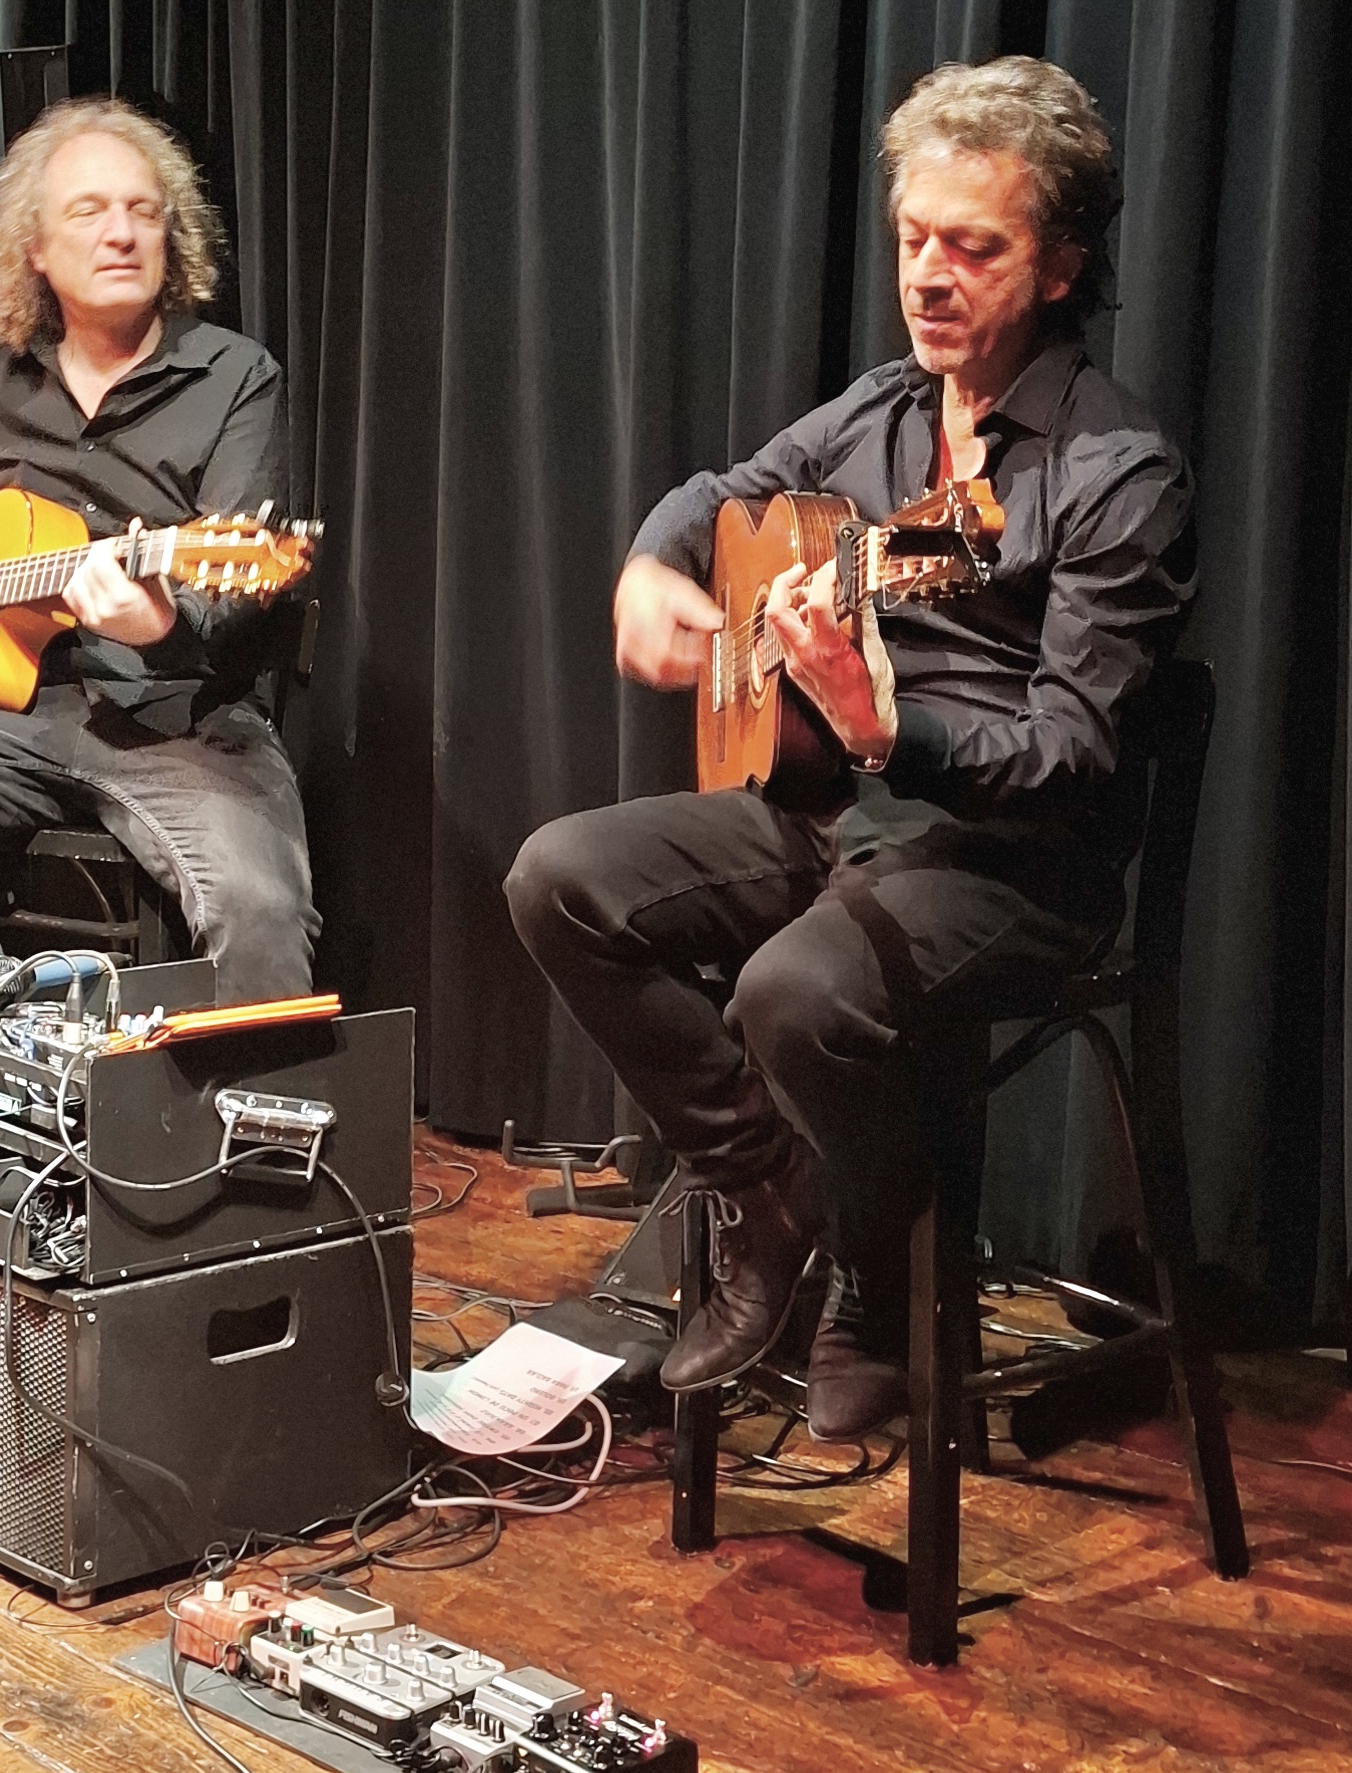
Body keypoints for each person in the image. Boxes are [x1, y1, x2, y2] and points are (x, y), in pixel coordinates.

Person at [505, 56, 1195, 1440]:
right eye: (913, 239)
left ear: (1061, 265)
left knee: (794, 992)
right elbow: (718, 498)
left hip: (1013, 862)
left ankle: (876, 1277)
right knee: (558, 880)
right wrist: (649, 569)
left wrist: (892, 731)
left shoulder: (1116, 474)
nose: (929, 275)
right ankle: (775, 1191)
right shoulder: (879, 413)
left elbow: (1072, 753)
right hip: (839, 816)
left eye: (973, 247)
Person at [0, 97, 318, 1003]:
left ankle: (251, 1100)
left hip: (180, 721)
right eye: (90, 211)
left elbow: (238, 596)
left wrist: (160, 623)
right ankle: (5, 1007)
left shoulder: (236, 375)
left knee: (259, 907)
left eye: (143, 211)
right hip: (6, 714)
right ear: (35, 246)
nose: (122, 233)